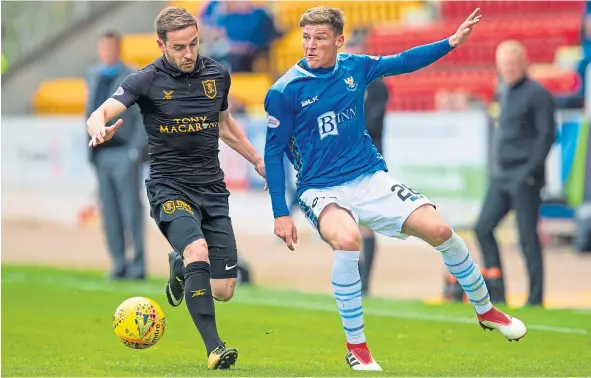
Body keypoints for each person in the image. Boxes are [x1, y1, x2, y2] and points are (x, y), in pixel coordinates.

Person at [263, 6, 527, 371]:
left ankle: (486, 310)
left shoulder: (355, 66)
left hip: (370, 177)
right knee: (349, 240)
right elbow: (273, 152)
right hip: (320, 188)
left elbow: (403, 60)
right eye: (306, 37)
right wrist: (280, 211)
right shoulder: (285, 90)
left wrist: (450, 42)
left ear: (339, 41)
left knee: (441, 229)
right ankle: (357, 347)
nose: (310, 45)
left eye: (320, 38)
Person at [86, 7, 265, 370]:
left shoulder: (217, 74)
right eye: (180, 47)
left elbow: (225, 125)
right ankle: (215, 348)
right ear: (161, 44)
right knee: (197, 248)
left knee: (223, 289)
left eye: (194, 44)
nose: (189, 54)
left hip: (212, 190)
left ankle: (180, 266)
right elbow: (101, 111)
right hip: (170, 188)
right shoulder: (145, 79)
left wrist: (257, 160)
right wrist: (98, 128)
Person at [474, 40, 556, 307]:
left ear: (523, 62)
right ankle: (497, 291)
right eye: (503, 65)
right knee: (483, 227)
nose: (507, 69)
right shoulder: (504, 90)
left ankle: (535, 298)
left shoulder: (538, 94)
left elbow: (546, 137)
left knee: (526, 237)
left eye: (511, 64)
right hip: (502, 175)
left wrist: (530, 171)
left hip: (525, 176)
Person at [85, 31, 148, 281]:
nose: (107, 53)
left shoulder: (132, 76)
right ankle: (119, 262)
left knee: (131, 210)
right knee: (109, 211)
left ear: (119, 49)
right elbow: (89, 112)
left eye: (111, 48)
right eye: (104, 49)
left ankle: (138, 265)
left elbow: (143, 116)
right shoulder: (93, 75)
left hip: (125, 151)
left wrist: (135, 151)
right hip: (101, 152)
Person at [345, 36, 390, 296]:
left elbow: (371, 123)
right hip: (345, 159)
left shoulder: (376, 84)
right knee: (348, 221)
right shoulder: (341, 84)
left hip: (367, 159)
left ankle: (365, 282)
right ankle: (355, 279)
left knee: (365, 222)